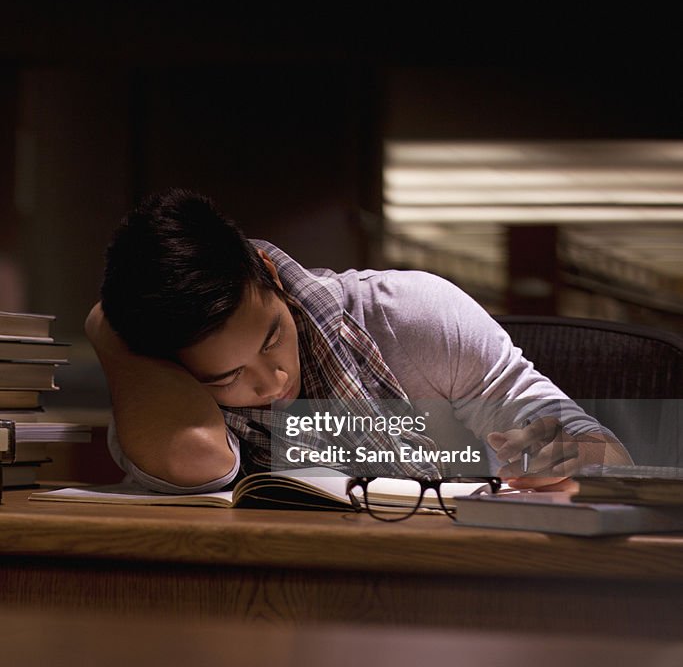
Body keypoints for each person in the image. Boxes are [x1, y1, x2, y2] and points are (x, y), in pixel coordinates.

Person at [85, 188, 632, 495]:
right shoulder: (156, 383)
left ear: (272, 278)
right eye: (226, 378)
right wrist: (107, 331)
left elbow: (602, 449)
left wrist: (567, 457)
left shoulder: (412, 315)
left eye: (272, 337)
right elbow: (193, 460)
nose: (272, 381)